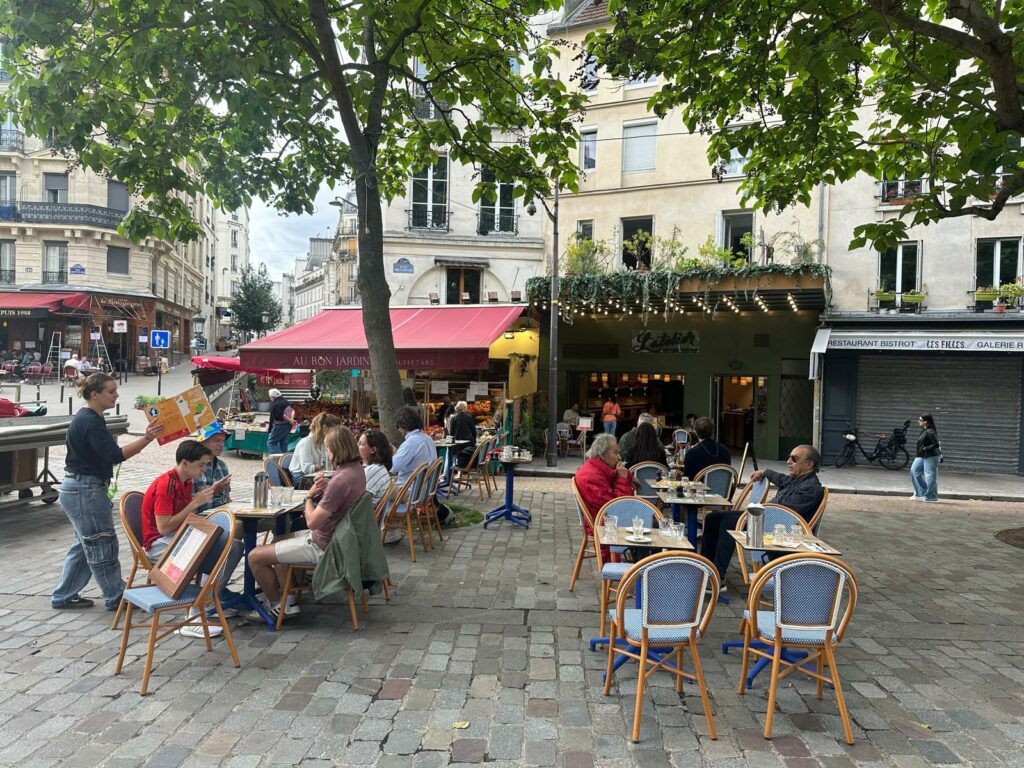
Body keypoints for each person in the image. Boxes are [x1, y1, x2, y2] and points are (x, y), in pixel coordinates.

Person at [51, 374, 163, 610]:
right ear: (95, 394)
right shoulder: (90, 421)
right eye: (111, 391)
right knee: (101, 543)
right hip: (85, 488)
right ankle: (115, 596)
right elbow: (114, 455)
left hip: (81, 487)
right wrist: (146, 439)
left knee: (84, 545)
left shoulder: (91, 418)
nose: (116, 395)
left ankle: (64, 595)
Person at [245, 426, 366, 620]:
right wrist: (327, 491)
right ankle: (289, 599)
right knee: (278, 538)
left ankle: (277, 605)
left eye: (327, 448)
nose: (326, 452)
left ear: (335, 450)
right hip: (343, 540)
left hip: (324, 545)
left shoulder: (340, 480)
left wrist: (309, 498)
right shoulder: (356, 471)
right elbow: (340, 502)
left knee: (254, 556)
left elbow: (312, 522)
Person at [141, 439, 239, 636]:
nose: (204, 469)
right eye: (201, 465)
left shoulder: (185, 481)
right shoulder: (167, 485)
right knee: (212, 552)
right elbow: (163, 527)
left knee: (234, 545)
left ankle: (209, 598)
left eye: (205, 464)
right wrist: (195, 504)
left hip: (177, 535)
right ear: (185, 463)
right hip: (158, 543)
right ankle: (195, 614)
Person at [700, 444, 824, 588]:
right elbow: (778, 477)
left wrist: (757, 511)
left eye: (794, 459)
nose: (788, 461)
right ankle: (706, 568)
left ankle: (717, 577)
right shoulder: (796, 479)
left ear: (809, 464)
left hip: (778, 528)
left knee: (728, 522)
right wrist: (764, 472)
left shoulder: (810, 488)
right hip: (765, 517)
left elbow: (784, 514)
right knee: (712, 518)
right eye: (789, 457)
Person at [574, 432, 634, 527]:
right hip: (604, 524)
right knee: (652, 521)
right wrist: (623, 478)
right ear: (602, 455)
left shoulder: (596, 468)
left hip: (606, 518)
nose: (619, 457)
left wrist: (629, 476)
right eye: (615, 452)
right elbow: (619, 507)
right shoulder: (592, 476)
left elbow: (612, 475)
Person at [291, 413, 341, 487]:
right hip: (301, 478)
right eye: (334, 431)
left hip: (316, 475)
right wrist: (323, 464)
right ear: (325, 428)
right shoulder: (305, 443)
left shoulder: (324, 442)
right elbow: (307, 469)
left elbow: (329, 466)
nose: (336, 434)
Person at [192, 421, 232, 512]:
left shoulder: (222, 466)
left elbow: (227, 498)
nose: (221, 445)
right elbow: (185, 505)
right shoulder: (191, 465)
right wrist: (213, 491)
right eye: (217, 440)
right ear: (203, 441)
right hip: (200, 519)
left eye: (223, 441)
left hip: (222, 517)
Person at [391, 405, 436, 484]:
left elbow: (393, 468)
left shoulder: (409, 444)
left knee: (377, 491)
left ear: (402, 426)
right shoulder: (428, 439)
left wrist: (389, 455)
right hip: (425, 486)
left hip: (409, 489)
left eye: (398, 427)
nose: (399, 430)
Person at [359, 429, 394, 506]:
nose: (357, 446)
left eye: (361, 444)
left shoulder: (374, 470)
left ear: (373, 449)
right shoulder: (377, 467)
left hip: (364, 515)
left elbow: (359, 499)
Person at [910, 414, 941, 502]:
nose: (918, 421)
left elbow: (936, 444)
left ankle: (932, 497)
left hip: (931, 456)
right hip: (922, 455)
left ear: (925, 422)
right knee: (914, 471)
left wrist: (924, 448)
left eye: (920, 420)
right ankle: (920, 493)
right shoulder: (925, 430)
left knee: (930, 476)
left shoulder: (930, 431)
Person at [448, 400, 478, 467]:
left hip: (457, 444)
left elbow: (451, 432)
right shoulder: (469, 417)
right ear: (464, 408)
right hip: (469, 444)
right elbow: (473, 431)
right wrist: (474, 442)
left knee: (453, 456)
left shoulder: (453, 418)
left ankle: (452, 471)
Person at [266, 388, 295, 454]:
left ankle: (281, 458)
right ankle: (285, 461)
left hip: (279, 426)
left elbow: (276, 416)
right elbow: (292, 411)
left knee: (271, 443)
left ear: (272, 396)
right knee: (283, 443)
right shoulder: (285, 401)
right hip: (288, 426)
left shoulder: (275, 404)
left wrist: (270, 429)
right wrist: (291, 421)